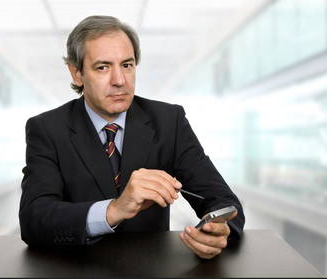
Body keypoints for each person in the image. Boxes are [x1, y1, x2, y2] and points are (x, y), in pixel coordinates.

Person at [19, 15, 245, 259]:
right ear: (77, 74)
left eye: (127, 65)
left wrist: (218, 232)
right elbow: (34, 219)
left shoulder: (169, 121)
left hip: (151, 273)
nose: (119, 81)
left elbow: (223, 201)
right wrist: (112, 210)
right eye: (103, 67)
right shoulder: (47, 129)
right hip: (75, 272)